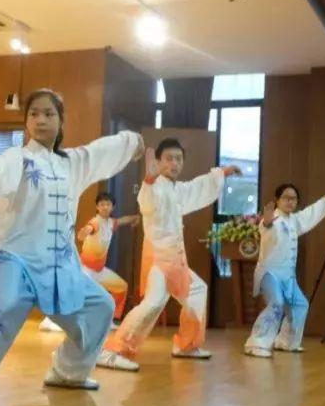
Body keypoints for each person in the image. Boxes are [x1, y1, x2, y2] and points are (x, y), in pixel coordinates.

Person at [0, 89, 144, 406]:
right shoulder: (17, 158)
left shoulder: (73, 163)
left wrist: (134, 142)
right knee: (5, 306)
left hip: (59, 267)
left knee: (101, 306)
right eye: (34, 114)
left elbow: (101, 151)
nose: (40, 120)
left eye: (49, 114)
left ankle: (68, 371)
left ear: (61, 121)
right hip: (17, 261)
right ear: (26, 122)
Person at [98, 138, 240, 371]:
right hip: (159, 258)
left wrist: (222, 173)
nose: (174, 163)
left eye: (178, 159)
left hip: (176, 260)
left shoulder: (178, 188)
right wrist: (148, 179)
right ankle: (113, 350)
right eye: (169, 158)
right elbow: (146, 203)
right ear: (158, 161)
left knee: (197, 290)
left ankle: (186, 345)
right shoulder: (154, 186)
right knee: (153, 303)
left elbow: (198, 186)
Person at [243, 184, 325, 358]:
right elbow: (266, 226)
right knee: (277, 303)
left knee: (300, 305)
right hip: (269, 274)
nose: (290, 201)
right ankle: (256, 343)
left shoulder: (294, 220)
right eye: (286, 198)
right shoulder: (272, 219)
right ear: (277, 200)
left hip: (287, 277)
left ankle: (286, 341)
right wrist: (266, 221)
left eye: (293, 198)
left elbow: (310, 213)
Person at [77, 191, 139, 327]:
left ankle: (108, 320)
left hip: (99, 271)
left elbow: (123, 220)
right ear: (97, 207)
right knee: (81, 295)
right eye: (102, 204)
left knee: (121, 288)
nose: (105, 207)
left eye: (108, 204)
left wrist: (135, 217)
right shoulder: (95, 222)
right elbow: (89, 228)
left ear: (112, 207)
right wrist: (84, 232)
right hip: (85, 270)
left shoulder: (111, 223)